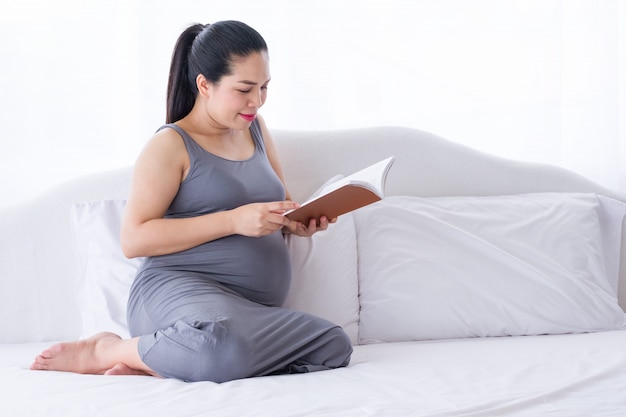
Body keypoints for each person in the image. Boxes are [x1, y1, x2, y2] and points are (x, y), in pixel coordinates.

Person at [30, 20, 352, 383]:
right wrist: (232, 221)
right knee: (218, 343)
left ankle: (160, 361)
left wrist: (298, 222)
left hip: (250, 313)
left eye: (264, 87)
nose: (256, 101)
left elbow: (281, 203)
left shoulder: (257, 129)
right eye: (245, 89)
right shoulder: (170, 145)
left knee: (332, 344)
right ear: (204, 85)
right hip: (176, 291)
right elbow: (134, 239)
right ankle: (106, 349)